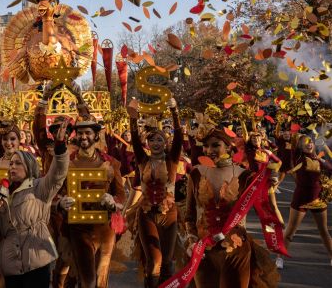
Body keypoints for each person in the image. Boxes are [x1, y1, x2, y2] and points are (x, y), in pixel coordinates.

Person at [0, 118, 70, 288]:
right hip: (10, 263)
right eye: (11, 164)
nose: (12, 167)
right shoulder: (1, 191)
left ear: (29, 166)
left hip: (36, 259)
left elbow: (58, 173)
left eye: (17, 163)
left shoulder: (40, 187)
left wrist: (60, 146)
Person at [185, 128, 279, 288]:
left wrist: (271, 182)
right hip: (203, 251)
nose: (209, 150)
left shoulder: (245, 176)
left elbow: (263, 207)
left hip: (236, 250)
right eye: (206, 146)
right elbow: (189, 215)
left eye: (215, 145)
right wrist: (192, 240)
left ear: (228, 147)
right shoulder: (196, 174)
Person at [56, 114, 125, 288]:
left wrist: (113, 201)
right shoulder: (66, 163)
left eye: (87, 132)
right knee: (87, 282)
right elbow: (54, 193)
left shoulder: (111, 163)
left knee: (101, 281)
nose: (83, 137)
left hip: (105, 229)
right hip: (78, 228)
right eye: (79, 133)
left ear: (96, 135)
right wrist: (60, 202)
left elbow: (121, 197)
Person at [125, 98, 182, 287]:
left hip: (170, 215)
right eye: (152, 140)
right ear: (147, 143)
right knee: (153, 262)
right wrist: (133, 118)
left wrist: (174, 111)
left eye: (160, 139)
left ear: (165, 142)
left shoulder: (172, 160)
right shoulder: (142, 160)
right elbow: (134, 139)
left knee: (166, 263)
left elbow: (180, 135)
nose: (156, 143)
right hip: (147, 214)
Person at [279, 134, 332, 269]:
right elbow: (293, 141)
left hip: (318, 199)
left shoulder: (319, 159)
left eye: (311, 142)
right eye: (305, 142)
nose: (309, 144)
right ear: (300, 146)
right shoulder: (298, 157)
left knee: (324, 231)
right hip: (301, 198)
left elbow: (331, 168)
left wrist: (324, 146)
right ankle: (280, 258)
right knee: (290, 231)